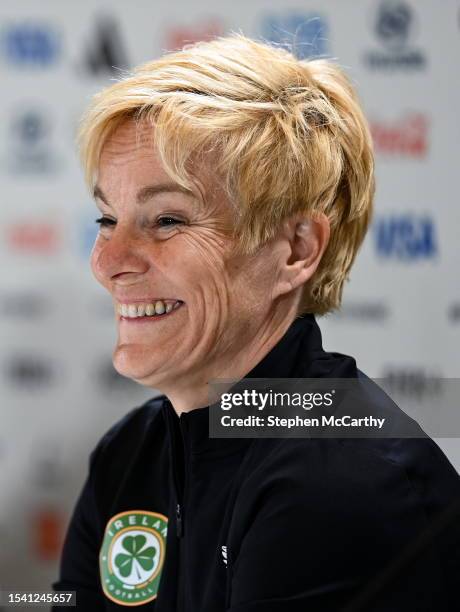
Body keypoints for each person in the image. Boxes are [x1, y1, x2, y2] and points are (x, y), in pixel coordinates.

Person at [52, 34, 460, 611]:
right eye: (107, 218)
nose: (108, 262)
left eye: (166, 219)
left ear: (295, 250)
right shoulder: (131, 454)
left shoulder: (344, 480)